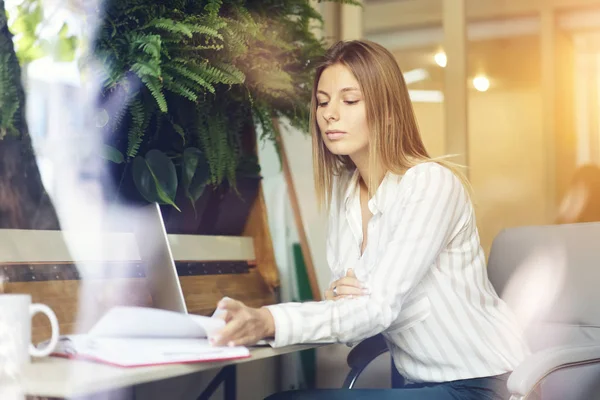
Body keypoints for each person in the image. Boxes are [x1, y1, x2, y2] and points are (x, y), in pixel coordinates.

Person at [211, 39, 530, 399]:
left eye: (349, 101)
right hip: (420, 385)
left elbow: (373, 310)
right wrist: (346, 302)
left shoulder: (430, 184)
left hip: (486, 384)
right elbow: (354, 323)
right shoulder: (346, 195)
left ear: (387, 109)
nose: (330, 113)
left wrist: (268, 320)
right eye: (322, 101)